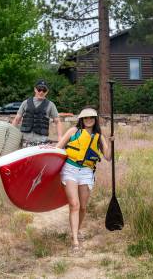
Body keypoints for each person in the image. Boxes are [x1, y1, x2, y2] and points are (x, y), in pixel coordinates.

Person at [56, 107, 112, 252]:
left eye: (91, 118)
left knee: (83, 207)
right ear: (82, 119)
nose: (88, 120)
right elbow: (58, 148)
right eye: (86, 118)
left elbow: (107, 157)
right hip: (70, 169)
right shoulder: (73, 131)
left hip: (86, 172)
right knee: (74, 204)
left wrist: (111, 142)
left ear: (95, 120)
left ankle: (77, 229)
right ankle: (75, 241)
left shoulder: (99, 136)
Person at [12, 79, 62, 147]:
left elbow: (58, 122)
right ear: (35, 89)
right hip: (24, 142)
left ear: (47, 92)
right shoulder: (25, 103)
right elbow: (16, 120)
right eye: (39, 89)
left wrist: (60, 137)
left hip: (42, 143)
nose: (41, 92)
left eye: (44, 90)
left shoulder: (51, 105)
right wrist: (10, 134)